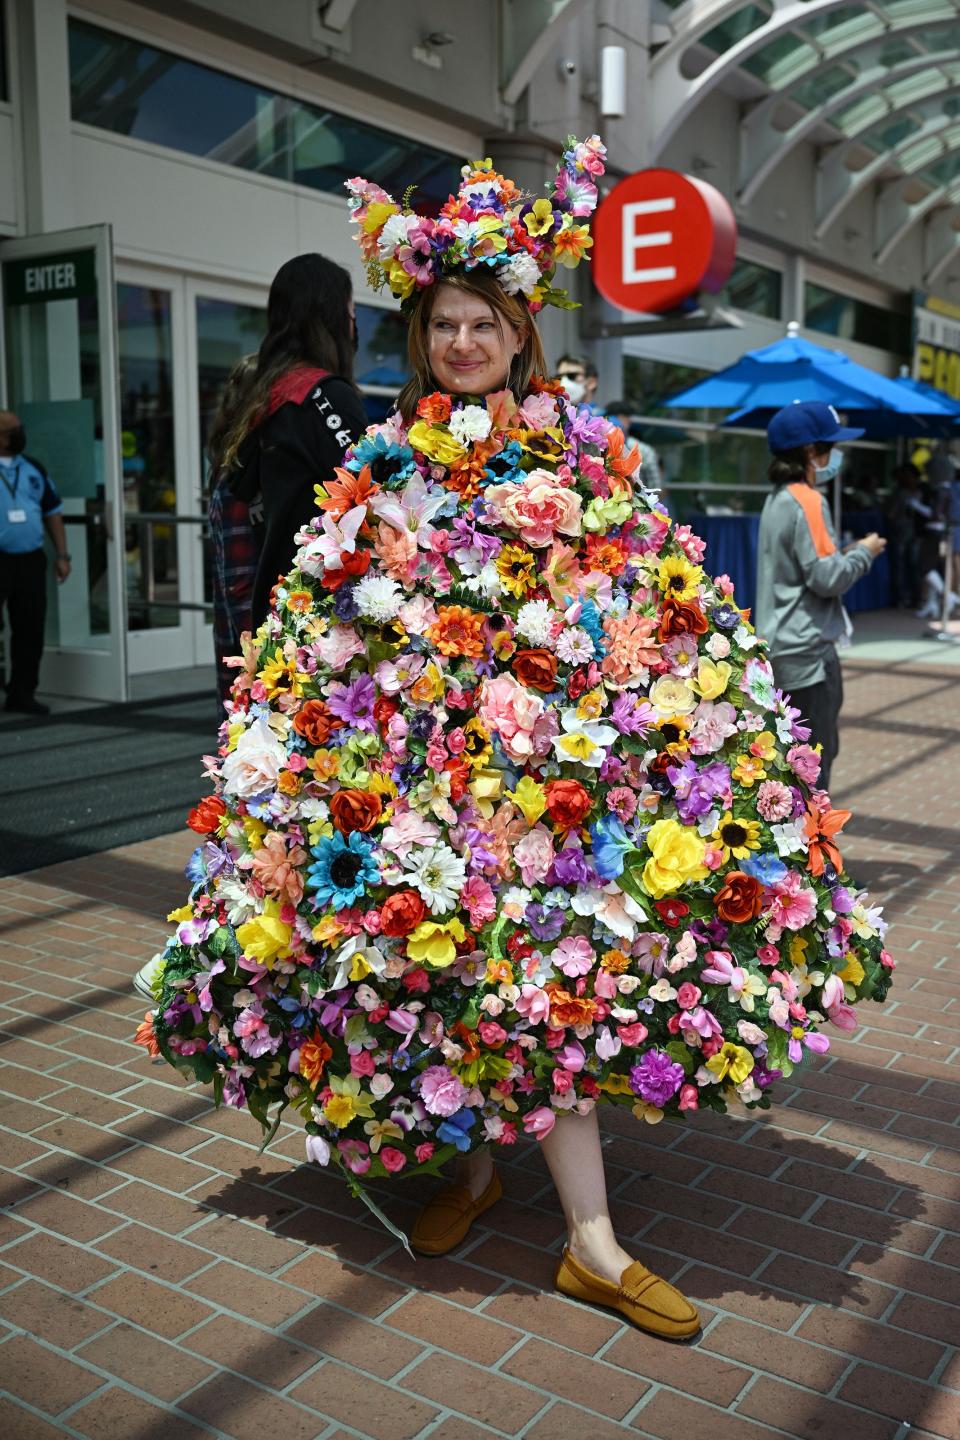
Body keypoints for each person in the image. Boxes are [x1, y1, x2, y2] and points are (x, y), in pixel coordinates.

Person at [140, 141, 893, 1349]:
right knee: (458, 984)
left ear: (519, 333)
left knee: (540, 990)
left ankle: (591, 1241)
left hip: (554, 778)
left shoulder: (579, 454)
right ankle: (479, 1176)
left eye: (483, 323)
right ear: (421, 337)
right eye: (444, 325)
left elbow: (638, 586)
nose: (463, 344)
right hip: (422, 777)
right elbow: (333, 602)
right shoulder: (381, 460)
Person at [222, 253, 368, 630]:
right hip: (321, 615)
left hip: (278, 610)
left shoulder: (264, 393)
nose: (355, 326)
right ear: (334, 318)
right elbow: (371, 500)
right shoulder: (321, 396)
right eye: (351, 313)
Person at [755, 401, 886, 789]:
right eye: (830, 446)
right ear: (811, 452)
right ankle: (815, 847)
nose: (835, 456)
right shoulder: (809, 499)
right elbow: (827, 578)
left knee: (788, 767)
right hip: (809, 653)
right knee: (815, 768)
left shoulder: (777, 498)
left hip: (781, 648)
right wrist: (865, 552)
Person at [0, 411, 71, 715]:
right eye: (13, 430)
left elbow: (52, 511)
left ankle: (22, 693)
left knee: (30, 627)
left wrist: (63, 554)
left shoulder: (32, 468)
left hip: (29, 560)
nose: (19, 434)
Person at [206, 355, 259, 704]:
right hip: (248, 650)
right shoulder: (242, 475)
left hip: (234, 644)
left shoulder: (231, 464)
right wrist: (254, 656)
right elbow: (239, 581)